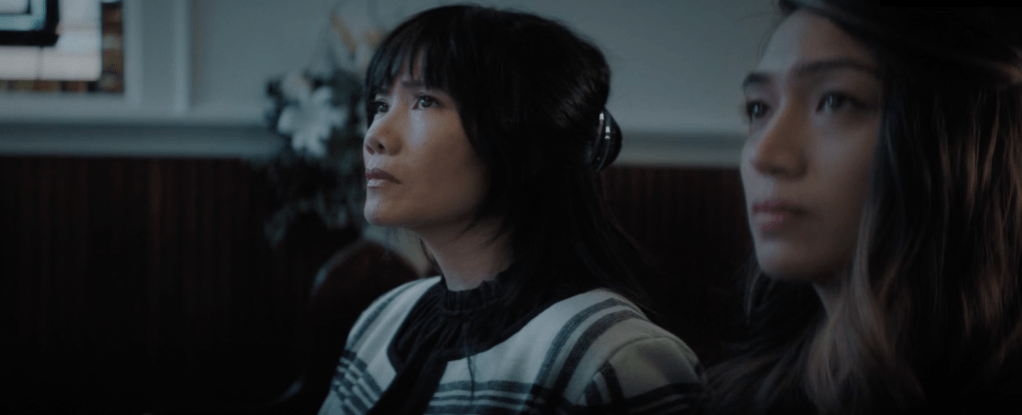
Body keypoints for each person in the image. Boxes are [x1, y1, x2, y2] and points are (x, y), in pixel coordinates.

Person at [317, 5, 704, 414]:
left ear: (523, 142)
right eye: (379, 105)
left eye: (425, 101)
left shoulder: (613, 358)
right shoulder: (383, 318)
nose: (376, 135)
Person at [708, 1, 1022, 413]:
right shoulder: (741, 392)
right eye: (758, 108)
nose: (764, 154)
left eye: (835, 101)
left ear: (951, 141)